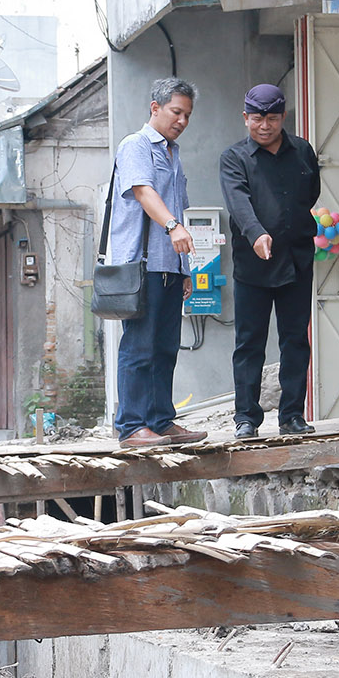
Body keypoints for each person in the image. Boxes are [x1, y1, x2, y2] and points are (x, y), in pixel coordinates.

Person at [219, 82, 320, 440]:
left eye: (272, 119)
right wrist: (257, 233)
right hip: (252, 265)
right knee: (249, 343)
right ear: (245, 118)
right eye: (257, 119)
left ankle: (292, 415)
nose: (265, 126)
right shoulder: (234, 158)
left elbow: (312, 193)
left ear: (283, 117)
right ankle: (246, 418)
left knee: (295, 340)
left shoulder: (303, 151)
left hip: (296, 260)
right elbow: (238, 202)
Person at [111, 77, 207, 448]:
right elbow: (142, 191)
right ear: (155, 108)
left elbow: (176, 203)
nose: (182, 120)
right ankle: (132, 426)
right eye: (176, 112)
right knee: (139, 347)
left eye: (187, 114)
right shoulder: (136, 145)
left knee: (166, 346)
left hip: (169, 265)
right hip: (141, 265)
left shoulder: (173, 152)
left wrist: (184, 270)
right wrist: (172, 225)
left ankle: (161, 420)